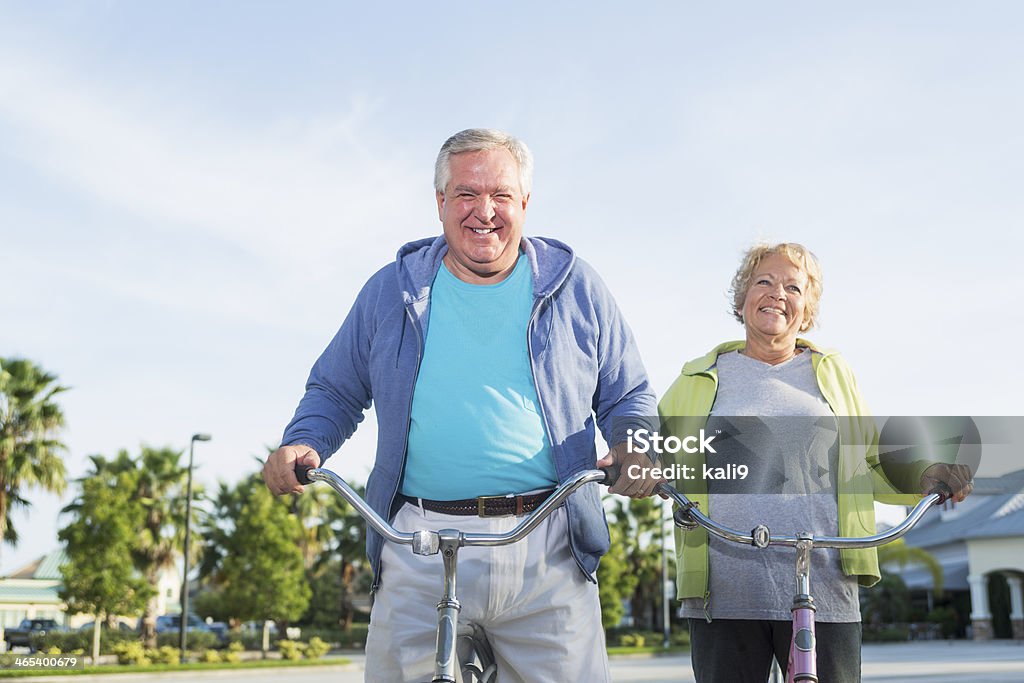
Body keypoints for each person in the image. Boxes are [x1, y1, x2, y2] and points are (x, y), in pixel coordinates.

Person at [262, 128, 659, 682]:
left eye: (501, 195)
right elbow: (335, 387)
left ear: (524, 203)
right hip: (418, 544)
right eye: (467, 194)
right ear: (441, 203)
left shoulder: (576, 287)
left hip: (546, 544)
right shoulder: (390, 291)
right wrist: (304, 440)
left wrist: (635, 446)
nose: (485, 211)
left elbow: (629, 392)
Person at [657, 242, 973, 683]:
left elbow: (868, 460)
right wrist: (633, 464)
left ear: (807, 311)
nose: (776, 294)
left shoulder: (832, 372)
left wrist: (924, 473)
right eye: (763, 281)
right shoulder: (698, 375)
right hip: (724, 589)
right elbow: (654, 446)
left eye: (793, 287)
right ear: (742, 296)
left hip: (824, 581)